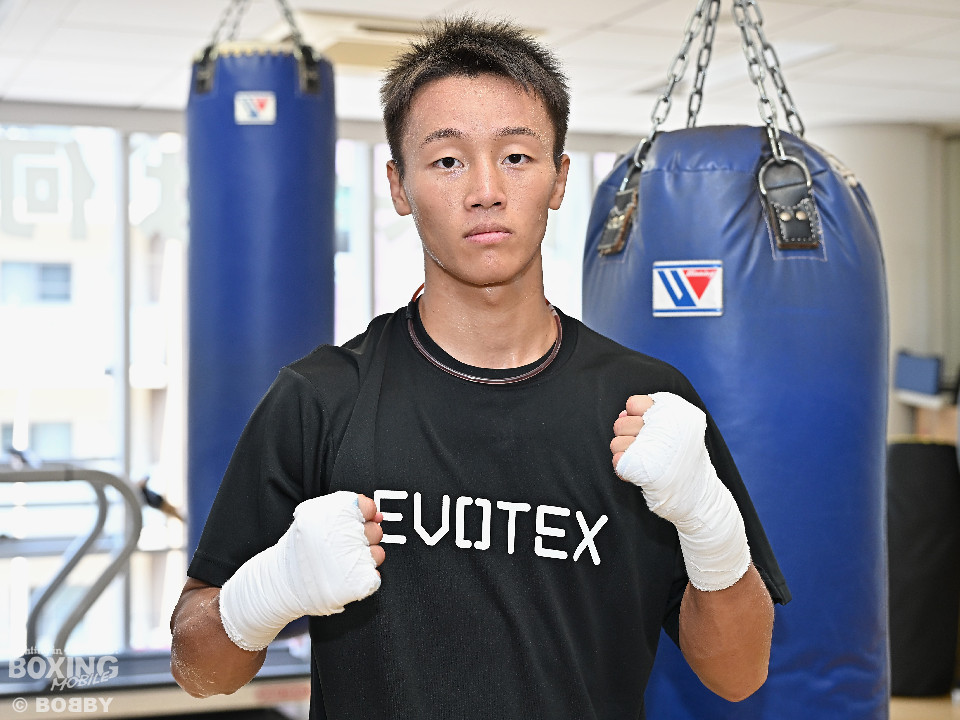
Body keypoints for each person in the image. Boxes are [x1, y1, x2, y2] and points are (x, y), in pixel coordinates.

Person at [170, 15, 790, 719]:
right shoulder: (320, 399)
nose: (486, 190)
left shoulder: (644, 404)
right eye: (447, 161)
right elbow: (199, 671)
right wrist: (266, 592)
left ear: (559, 179)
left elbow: (739, 673)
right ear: (398, 186)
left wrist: (709, 520)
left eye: (517, 157)